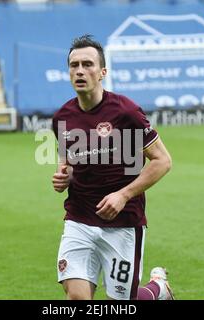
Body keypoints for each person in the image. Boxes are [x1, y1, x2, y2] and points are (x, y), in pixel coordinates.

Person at [52, 35, 174, 300]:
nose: (80, 71)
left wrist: (123, 194)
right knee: (77, 298)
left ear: (102, 72)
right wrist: (65, 176)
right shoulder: (62, 117)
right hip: (79, 219)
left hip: (123, 222)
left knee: (122, 301)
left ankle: (158, 289)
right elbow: (69, 161)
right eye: (74, 65)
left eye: (87, 64)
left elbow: (163, 161)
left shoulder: (125, 112)